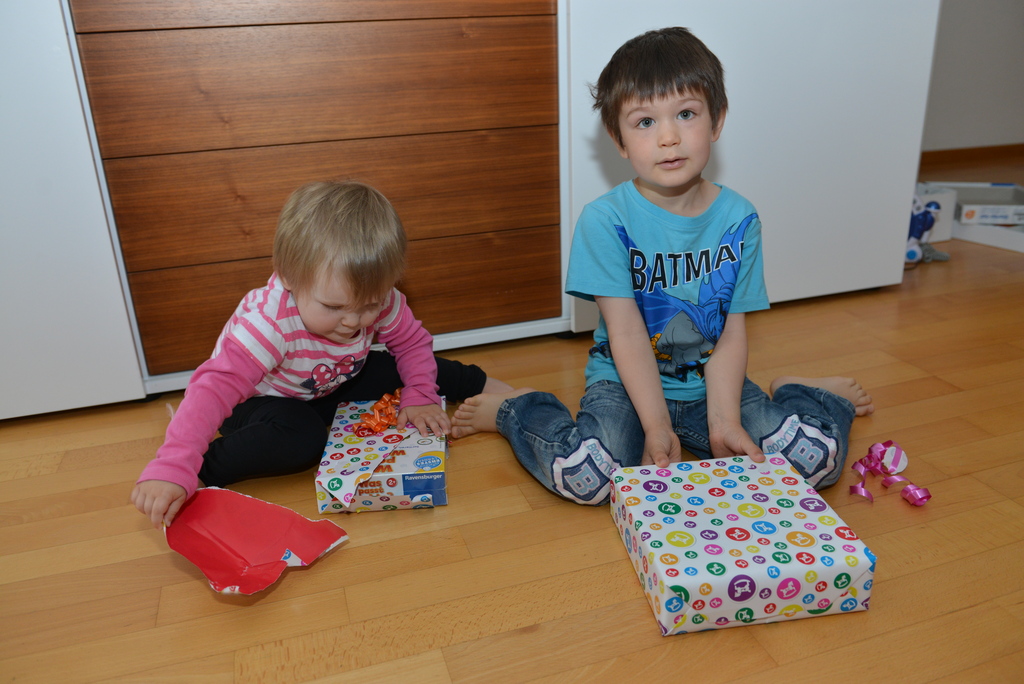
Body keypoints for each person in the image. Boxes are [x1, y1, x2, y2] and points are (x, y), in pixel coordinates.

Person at [451, 27, 873, 505]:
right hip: (623, 384)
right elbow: (627, 334)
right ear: (619, 139)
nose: (669, 137)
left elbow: (730, 332)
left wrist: (724, 422)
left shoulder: (739, 219)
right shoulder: (605, 221)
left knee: (815, 462)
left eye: (686, 114)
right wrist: (654, 427)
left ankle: (799, 393)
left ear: (717, 121)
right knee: (590, 479)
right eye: (645, 121)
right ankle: (516, 409)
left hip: (714, 387)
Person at [132, 180, 511, 528]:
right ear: (288, 277)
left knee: (406, 367)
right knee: (302, 437)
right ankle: (203, 471)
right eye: (333, 307)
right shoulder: (268, 325)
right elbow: (211, 390)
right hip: (259, 401)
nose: (354, 321)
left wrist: (422, 395)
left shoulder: (379, 297)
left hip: (332, 378)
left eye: (370, 305)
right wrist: (174, 465)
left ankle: (494, 392)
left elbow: (411, 344)